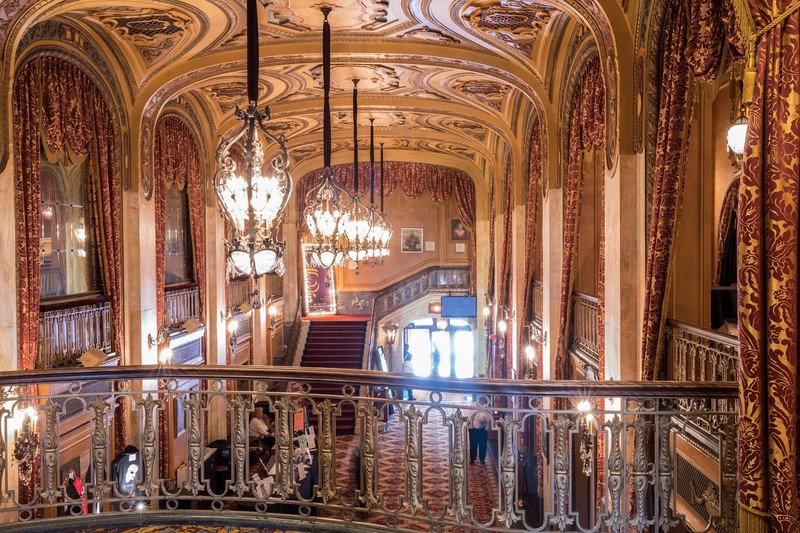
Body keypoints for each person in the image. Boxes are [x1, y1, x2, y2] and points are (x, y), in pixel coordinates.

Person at [469, 396, 493, 465]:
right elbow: (470, 416)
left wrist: (487, 428)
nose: (481, 401)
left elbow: (489, 420)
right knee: (473, 443)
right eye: (480, 399)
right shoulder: (473, 405)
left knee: (483, 444)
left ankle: (482, 459)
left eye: (483, 400)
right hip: (473, 427)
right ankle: (472, 458)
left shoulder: (488, 408)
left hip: (483, 428)